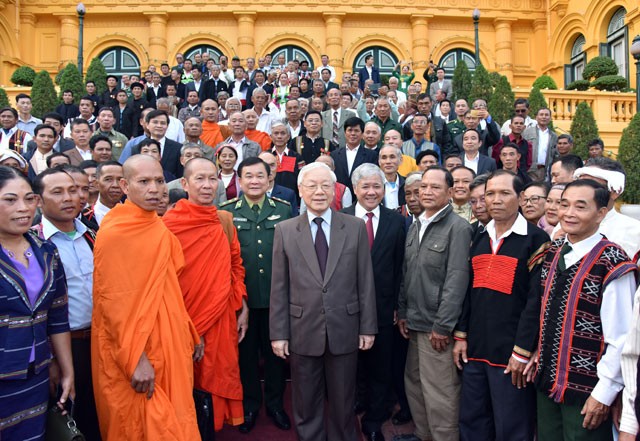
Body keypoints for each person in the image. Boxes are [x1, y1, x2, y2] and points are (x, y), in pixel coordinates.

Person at [91, 155, 201, 440]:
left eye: (160, 181)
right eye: (144, 182)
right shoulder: (116, 232)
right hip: (135, 347)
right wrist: (135, 359)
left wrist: (189, 330)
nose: (156, 189)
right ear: (125, 186)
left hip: (167, 338)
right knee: (142, 423)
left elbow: (168, 289)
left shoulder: (155, 225)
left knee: (175, 417)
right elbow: (113, 302)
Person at [270, 162, 377, 441]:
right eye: (312, 186)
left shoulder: (353, 227)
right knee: (305, 399)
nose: (319, 192)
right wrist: (279, 334)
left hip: (345, 326)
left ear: (335, 190)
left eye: (325, 186)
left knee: (343, 399)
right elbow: (279, 286)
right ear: (300, 191)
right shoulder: (285, 229)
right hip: (302, 328)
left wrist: (367, 327)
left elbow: (365, 281)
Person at [533, 179, 637, 441]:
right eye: (564, 204)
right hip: (547, 382)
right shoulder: (554, 250)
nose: (569, 213)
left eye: (580, 207)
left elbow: (621, 338)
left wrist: (603, 394)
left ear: (601, 213)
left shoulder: (613, 262)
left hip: (588, 391)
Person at [453, 170, 549, 441]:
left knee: (511, 424)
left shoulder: (535, 241)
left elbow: (535, 301)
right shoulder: (478, 236)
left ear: (520, 198)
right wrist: (461, 335)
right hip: (476, 349)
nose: (495, 200)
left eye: (504, 193)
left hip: (510, 355)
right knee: (472, 421)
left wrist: (522, 351)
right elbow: (468, 292)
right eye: (489, 194)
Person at [162, 157, 248, 431]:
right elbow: (165, 282)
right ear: (185, 183)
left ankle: (212, 428)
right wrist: (189, 327)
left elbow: (236, 264)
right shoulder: (168, 225)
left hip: (222, 314)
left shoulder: (223, 220)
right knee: (185, 384)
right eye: (200, 178)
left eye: (213, 178)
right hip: (184, 318)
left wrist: (242, 305)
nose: (208, 185)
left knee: (217, 373)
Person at [219, 157, 293, 433]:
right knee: (246, 357)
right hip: (242, 301)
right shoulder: (225, 213)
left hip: (276, 299)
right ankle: (250, 406)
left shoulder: (284, 211)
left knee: (276, 357)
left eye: (259, 176)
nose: (254, 181)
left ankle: (275, 405)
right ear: (239, 180)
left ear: (269, 179)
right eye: (248, 176)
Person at [0, 166, 74, 441]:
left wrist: (67, 370)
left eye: (29, 199)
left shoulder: (46, 251)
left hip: (37, 377)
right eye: (10, 200)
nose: (23, 208)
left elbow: (57, 316)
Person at [398, 165, 472, 441]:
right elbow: (408, 273)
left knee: (440, 391)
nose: (426, 192)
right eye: (422, 187)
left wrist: (443, 325)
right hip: (415, 322)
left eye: (434, 187)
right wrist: (404, 311)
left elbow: (456, 282)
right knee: (415, 385)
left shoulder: (458, 228)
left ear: (450, 192)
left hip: (437, 328)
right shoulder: (417, 223)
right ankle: (423, 435)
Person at [32, 167, 101, 440]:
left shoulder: (92, 235)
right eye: (57, 192)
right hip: (61, 346)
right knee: (66, 420)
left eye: (73, 190)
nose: (69, 198)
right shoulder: (32, 241)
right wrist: (51, 358)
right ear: (39, 200)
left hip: (98, 341)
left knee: (98, 415)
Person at [342, 163, 406, 441]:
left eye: (376, 186)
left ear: (384, 189)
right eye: (365, 186)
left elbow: (401, 266)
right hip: (345, 308)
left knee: (381, 364)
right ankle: (356, 400)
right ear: (355, 189)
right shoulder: (339, 218)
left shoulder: (396, 221)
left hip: (383, 308)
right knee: (350, 362)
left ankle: (375, 417)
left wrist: (397, 307)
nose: (371, 191)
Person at [574, 158, 640, 261]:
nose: (582, 193)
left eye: (592, 186)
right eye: (579, 185)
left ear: (615, 191)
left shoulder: (635, 232)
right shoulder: (566, 223)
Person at [83, 160, 123, 227]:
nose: (115, 185)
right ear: (97, 184)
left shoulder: (135, 214)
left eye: (120, 179)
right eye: (108, 179)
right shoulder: (85, 218)